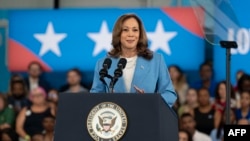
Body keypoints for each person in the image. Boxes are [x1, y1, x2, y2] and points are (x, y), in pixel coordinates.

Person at [90, 13, 177, 107]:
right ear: (118, 34)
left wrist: (149, 101)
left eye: (135, 30)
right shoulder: (103, 64)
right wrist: (108, 100)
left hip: (146, 116)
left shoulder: (156, 60)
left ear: (140, 34)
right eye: (125, 30)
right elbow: (94, 97)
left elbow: (170, 95)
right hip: (115, 118)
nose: (131, 34)